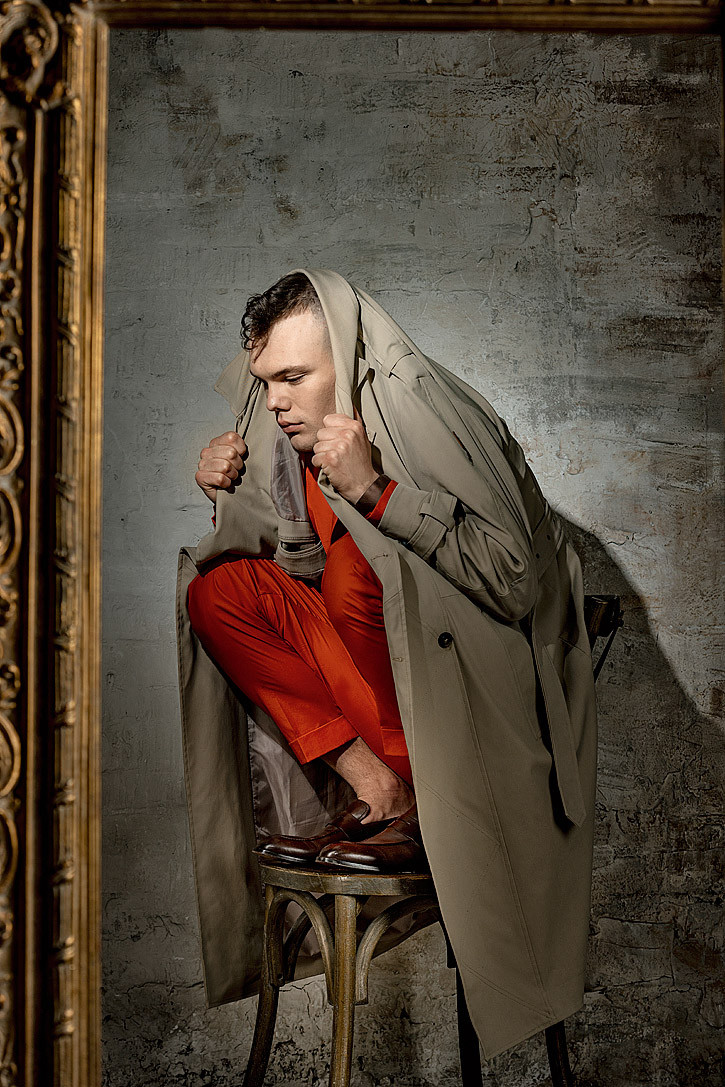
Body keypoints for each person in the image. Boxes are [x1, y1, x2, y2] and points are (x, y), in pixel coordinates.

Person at [176, 267, 598, 1059]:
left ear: (343, 350)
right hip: (387, 687)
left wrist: (375, 490)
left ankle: (417, 794)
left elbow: (514, 580)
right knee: (219, 593)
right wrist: (229, 496)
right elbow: (301, 571)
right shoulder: (300, 424)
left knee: (355, 570)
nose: (276, 401)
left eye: (294, 377)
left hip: (470, 701)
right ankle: (383, 787)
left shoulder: (415, 402)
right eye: (266, 380)